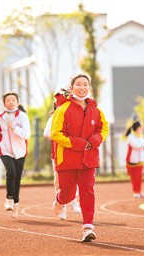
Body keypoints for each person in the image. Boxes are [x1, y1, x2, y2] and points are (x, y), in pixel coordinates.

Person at [50, 74, 109, 242]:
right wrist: (77, 143)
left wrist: (94, 141)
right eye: (78, 84)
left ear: (89, 87)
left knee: (87, 191)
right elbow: (55, 133)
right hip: (67, 160)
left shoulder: (96, 110)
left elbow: (103, 129)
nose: (82, 87)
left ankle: (88, 227)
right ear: (71, 87)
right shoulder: (62, 109)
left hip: (88, 159)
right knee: (68, 195)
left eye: (85, 84)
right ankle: (60, 200)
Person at [43, 91, 81, 220]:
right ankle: (62, 205)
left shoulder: (77, 115)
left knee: (75, 177)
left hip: (74, 152)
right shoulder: (54, 117)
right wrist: (60, 137)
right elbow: (47, 133)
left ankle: (74, 200)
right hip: (58, 154)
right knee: (59, 181)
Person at [0, 92, 31, 217]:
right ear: (4, 103)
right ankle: (9, 199)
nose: (10, 102)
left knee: (18, 178)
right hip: (5, 150)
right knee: (11, 172)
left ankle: (16, 204)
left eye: (13, 100)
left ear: (17, 102)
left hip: (20, 151)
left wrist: (13, 127)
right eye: (8, 100)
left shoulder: (23, 116)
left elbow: (26, 134)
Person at [124, 121, 144, 198]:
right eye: (140, 128)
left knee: (138, 177)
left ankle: (138, 191)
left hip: (140, 161)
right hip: (131, 161)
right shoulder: (131, 137)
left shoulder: (140, 137)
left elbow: (142, 146)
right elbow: (136, 146)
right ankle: (136, 191)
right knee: (133, 178)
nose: (141, 129)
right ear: (136, 128)